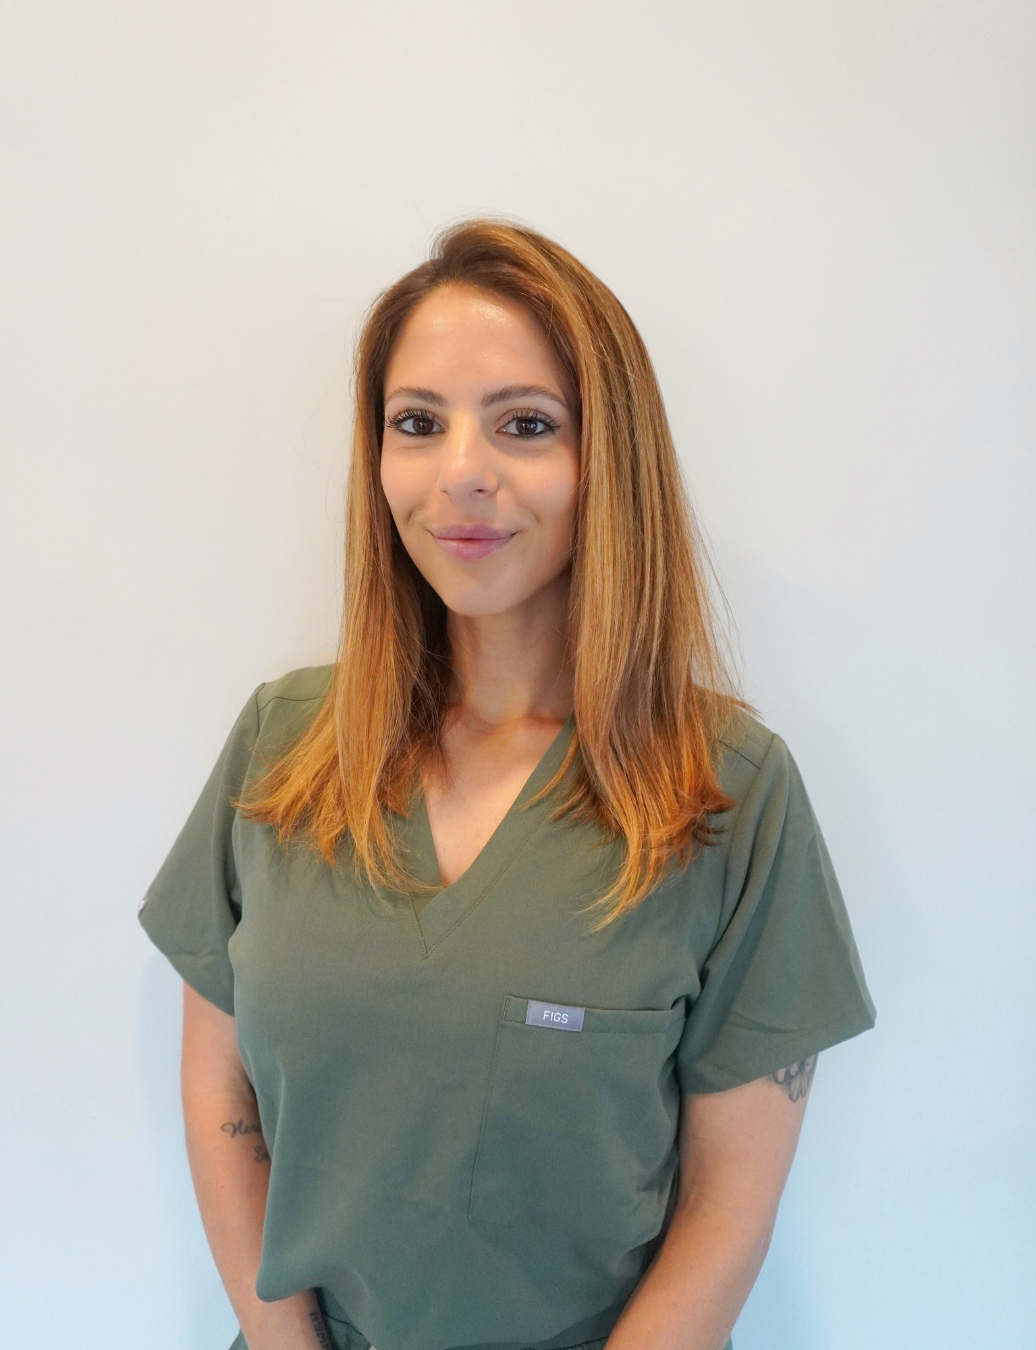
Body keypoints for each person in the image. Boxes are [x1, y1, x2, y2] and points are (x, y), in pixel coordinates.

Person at [139, 220, 875, 1350]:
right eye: (417, 423)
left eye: (525, 424)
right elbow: (219, 1094)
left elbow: (727, 1209)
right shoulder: (283, 751)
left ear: (607, 461)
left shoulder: (727, 795)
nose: (462, 473)